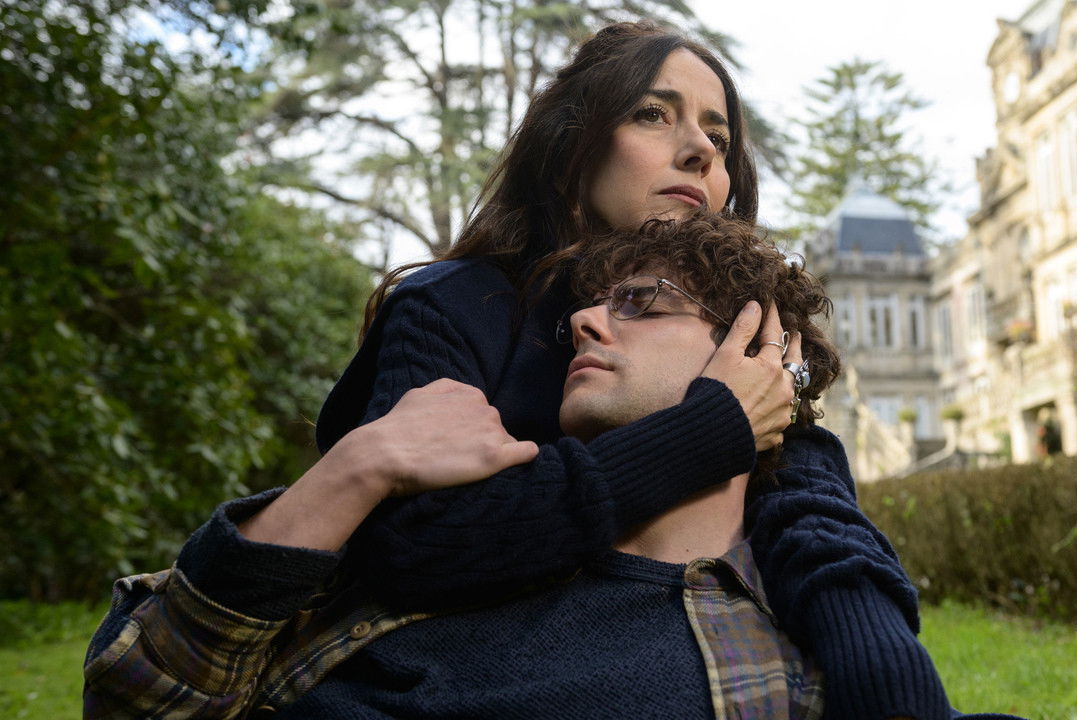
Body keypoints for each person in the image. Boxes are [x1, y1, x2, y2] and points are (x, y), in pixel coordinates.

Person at [88, 21, 974, 720]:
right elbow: (415, 543)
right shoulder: (456, 306)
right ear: (571, 148)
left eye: (718, 132)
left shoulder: (731, 331)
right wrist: (704, 431)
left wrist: (883, 669)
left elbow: (810, 508)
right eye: (654, 114)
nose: (702, 149)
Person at [83, 216, 832, 717]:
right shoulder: (459, 548)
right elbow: (139, 699)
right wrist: (360, 463)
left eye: (641, 301)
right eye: (597, 303)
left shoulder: (770, 659)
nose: (583, 321)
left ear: (760, 352)